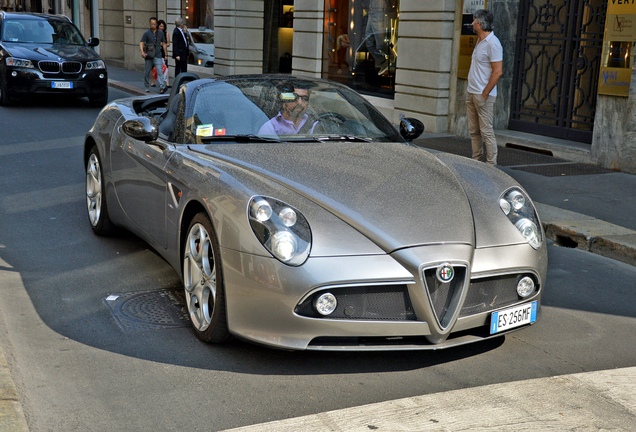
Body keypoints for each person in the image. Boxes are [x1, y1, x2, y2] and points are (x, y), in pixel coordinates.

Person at [466, 9, 503, 166]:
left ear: (479, 23)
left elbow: (498, 72)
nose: (472, 24)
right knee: (474, 131)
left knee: (486, 132)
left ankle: (491, 166)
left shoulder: (493, 44)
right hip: (471, 92)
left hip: (483, 95)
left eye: (474, 21)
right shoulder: (480, 40)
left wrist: (485, 93)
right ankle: (476, 162)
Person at [139, 17, 168, 94]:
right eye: (151, 24)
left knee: (159, 71)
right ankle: (146, 85)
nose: (153, 25)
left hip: (158, 55)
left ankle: (162, 87)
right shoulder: (146, 33)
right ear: (149, 24)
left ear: (157, 24)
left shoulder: (160, 33)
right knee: (147, 72)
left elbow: (164, 44)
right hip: (149, 56)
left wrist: (166, 54)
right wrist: (142, 52)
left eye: (154, 24)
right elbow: (141, 42)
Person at [365, 0, 390, 75]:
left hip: (378, 9)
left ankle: (388, 54)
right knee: (369, 43)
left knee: (380, 45)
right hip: (373, 9)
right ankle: (383, 61)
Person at [157, 19, 171, 88]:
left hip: (164, 51)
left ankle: (167, 83)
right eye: (160, 26)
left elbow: (168, 44)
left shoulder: (166, 34)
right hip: (157, 52)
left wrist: (163, 44)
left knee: (166, 67)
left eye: (163, 26)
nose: (162, 27)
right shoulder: (156, 34)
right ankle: (160, 82)